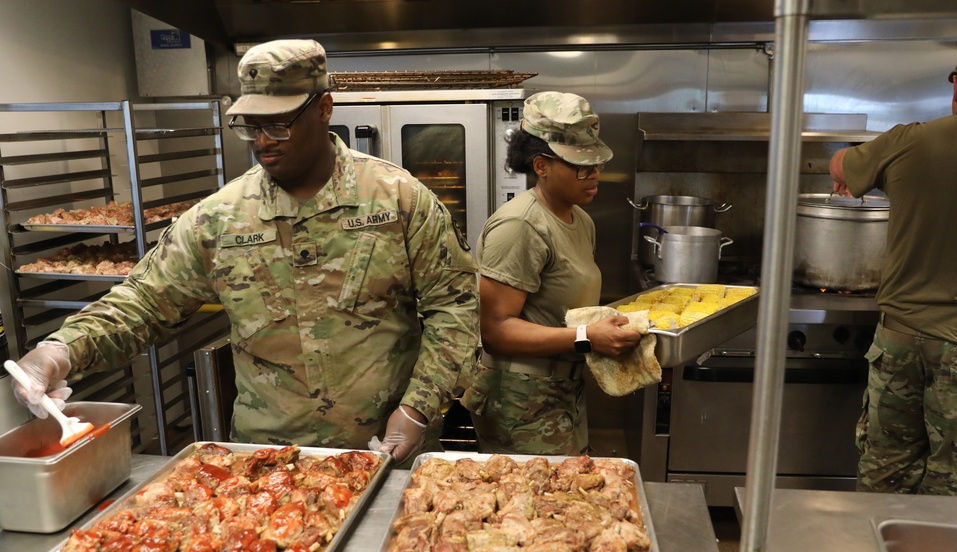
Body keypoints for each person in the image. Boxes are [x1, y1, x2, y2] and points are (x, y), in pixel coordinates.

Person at [11, 39, 479, 463]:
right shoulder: (219, 219)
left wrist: (418, 408)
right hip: (269, 460)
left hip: (387, 449)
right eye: (250, 126)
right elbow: (144, 303)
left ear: (324, 108)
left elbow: (455, 308)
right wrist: (59, 351)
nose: (262, 142)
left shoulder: (398, 201)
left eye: (277, 125)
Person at [829, 33, 957, 496]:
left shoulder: (908, 140)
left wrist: (868, 170)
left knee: (886, 473)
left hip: (899, 342)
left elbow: (839, 165)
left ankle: (876, 545)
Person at [460, 91, 641, 456]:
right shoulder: (521, 226)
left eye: (597, 164)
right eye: (581, 166)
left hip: (561, 391)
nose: (595, 174)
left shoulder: (581, 220)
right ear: (541, 166)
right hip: (520, 401)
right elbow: (495, 331)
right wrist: (587, 337)